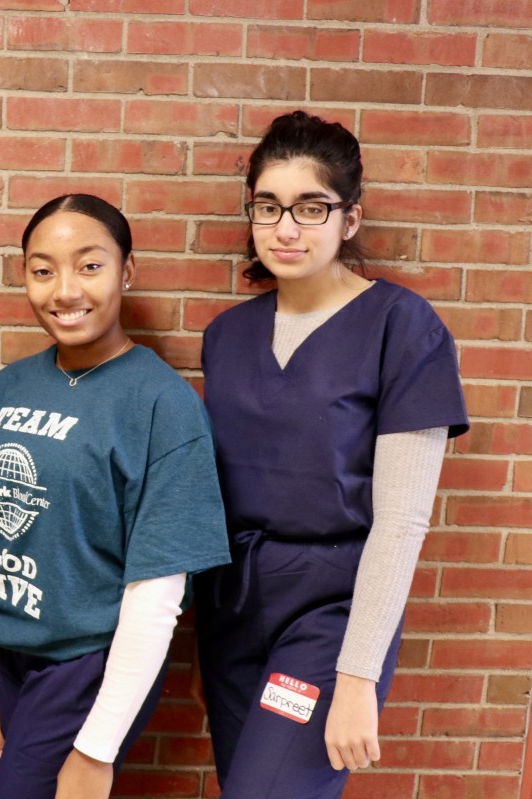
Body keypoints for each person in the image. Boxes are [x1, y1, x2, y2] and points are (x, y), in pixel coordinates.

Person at [195, 110, 470, 798]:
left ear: (350, 218)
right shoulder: (226, 336)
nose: (286, 228)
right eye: (268, 206)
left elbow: (403, 520)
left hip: (329, 616)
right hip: (232, 607)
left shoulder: (403, 328)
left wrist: (357, 673)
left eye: (311, 207)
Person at [0, 194, 230, 799]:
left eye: (89, 266)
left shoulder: (162, 403)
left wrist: (97, 746)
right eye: (43, 269)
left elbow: (160, 591)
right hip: (11, 654)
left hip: (87, 662)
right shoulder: (13, 384)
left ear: (126, 271)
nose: (64, 290)